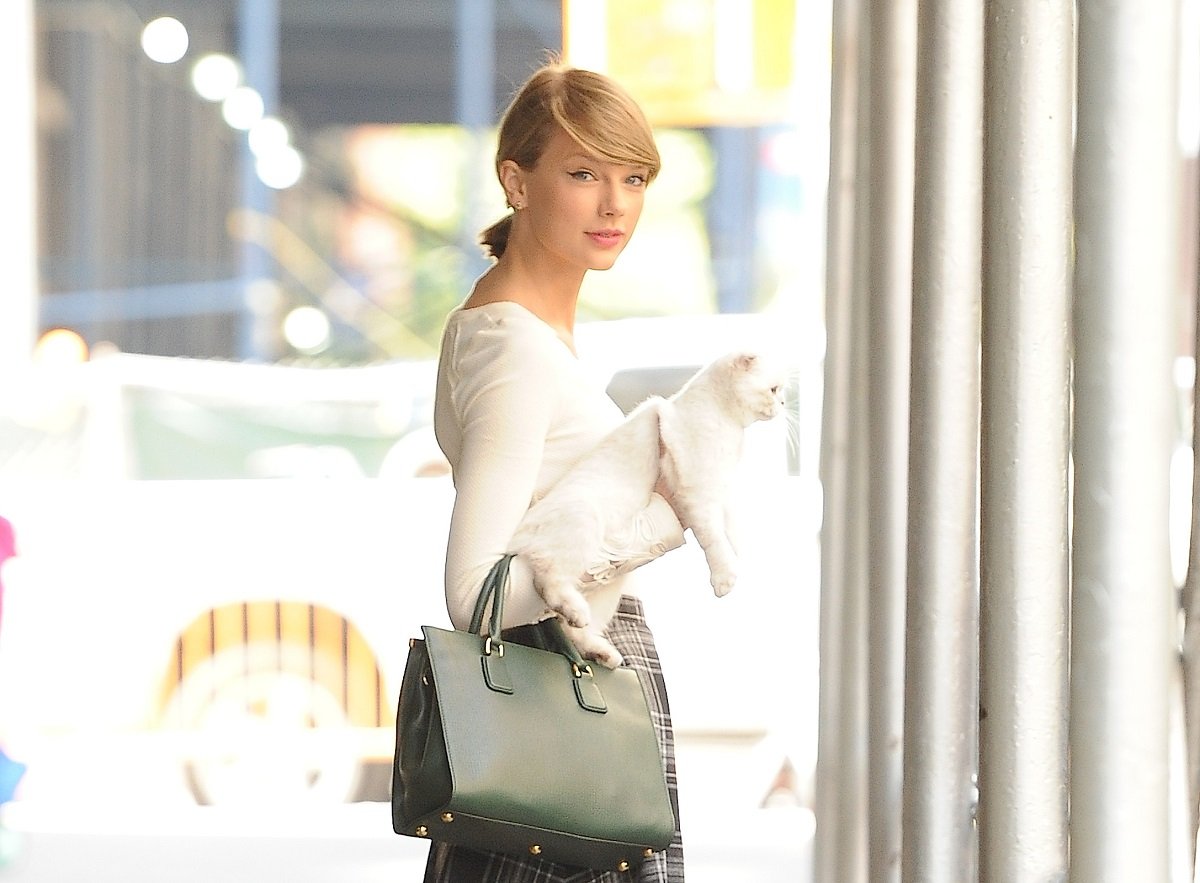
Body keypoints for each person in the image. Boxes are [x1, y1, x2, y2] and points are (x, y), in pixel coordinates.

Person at [426, 60, 687, 882]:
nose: (615, 204)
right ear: (518, 180)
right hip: (564, 692)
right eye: (583, 173)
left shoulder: (504, 325)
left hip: (567, 690)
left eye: (633, 177)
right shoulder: (515, 348)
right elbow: (477, 592)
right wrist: (652, 528)